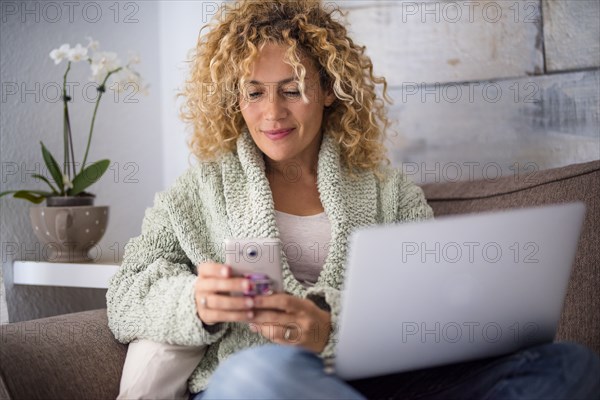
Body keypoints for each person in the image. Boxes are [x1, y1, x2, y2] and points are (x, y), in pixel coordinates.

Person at [106, 1, 600, 399]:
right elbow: (126, 297)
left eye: (292, 89)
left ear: (327, 89)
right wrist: (196, 304)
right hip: (261, 383)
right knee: (258, 377)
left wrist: (329, 329)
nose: (272, 113)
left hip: (387, 384)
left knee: (567, 366)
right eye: (254, 92)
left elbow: (430, 302)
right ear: (236, 99)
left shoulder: (388, 191)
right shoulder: (196, 194)